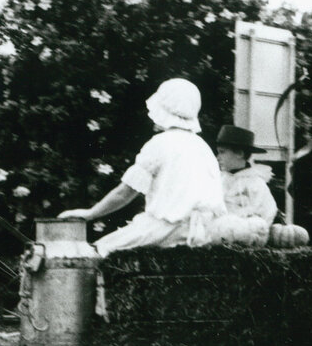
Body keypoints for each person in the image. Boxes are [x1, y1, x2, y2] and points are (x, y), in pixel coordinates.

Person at [59, 78, 226, 255]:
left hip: (168, 229)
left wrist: (90, 214)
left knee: (99, 250)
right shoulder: (203, 147)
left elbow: (125, 193)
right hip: (208, 231)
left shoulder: (160, 143)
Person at [208, 124, 279, 245]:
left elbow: (267, 212)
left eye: (222, 152)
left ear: (239, 154)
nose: (217, 157)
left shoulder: (255, 183)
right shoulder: (218, 180)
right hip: (217, 236)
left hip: (245, 238)